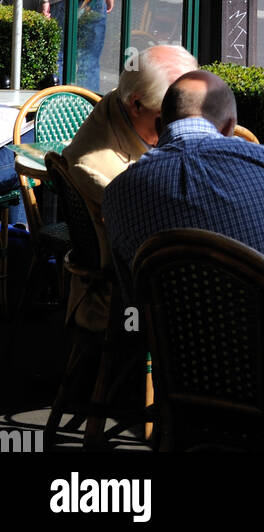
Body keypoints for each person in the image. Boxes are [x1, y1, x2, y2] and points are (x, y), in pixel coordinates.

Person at [102, 70, 264, 394]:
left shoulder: (117, 195)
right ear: (229, 127)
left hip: (191, 386)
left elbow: (136, 305)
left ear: (158, 129)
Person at [63, 44, 197, 330]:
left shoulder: (122, 102)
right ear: (136, 105)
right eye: (172, 117)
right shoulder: (101, 170)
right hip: (130, 302)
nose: (189, 126)